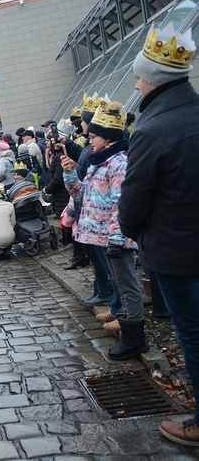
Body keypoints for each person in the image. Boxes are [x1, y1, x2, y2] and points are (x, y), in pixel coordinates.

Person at [119, 23, 199, 446]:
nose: (135, 81)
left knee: (194, 336)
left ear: (152, 77)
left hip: (177, 255)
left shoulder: (150, 131)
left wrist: (135, 232)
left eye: (138, 74)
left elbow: (131, 208)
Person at [61, 101, 146, 362]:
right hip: (103, 237)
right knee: (120, 283)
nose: (89, 140)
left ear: (107, 138)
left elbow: (122, 203)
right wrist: (70, 174)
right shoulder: (101, 161)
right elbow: (82, 194)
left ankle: (135, 338)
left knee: (128, 286)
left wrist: (118, 237)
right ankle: (127, 325)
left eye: (93, 136)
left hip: (114, 238)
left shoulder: (118, 163)